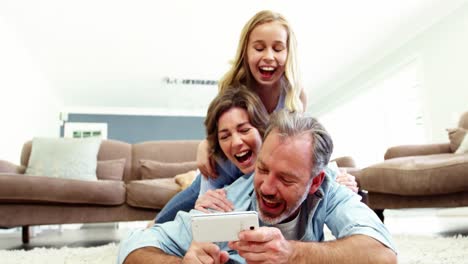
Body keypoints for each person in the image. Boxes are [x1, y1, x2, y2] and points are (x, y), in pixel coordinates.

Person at [154, 10, 358, 223]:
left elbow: (302, 148)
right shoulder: (232, 88)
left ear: (288, 53)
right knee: (166, 220)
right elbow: (221, 132)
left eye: (278, 48)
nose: (268, 56)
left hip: (262, 174)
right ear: (246, 51)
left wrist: (336, 178)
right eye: (259, 48)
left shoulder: (294, 96)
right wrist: (205, 144)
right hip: (226, 172)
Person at [118, 110, 397, 264]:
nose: (267, 187)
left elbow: (383, 255)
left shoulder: (330, 190)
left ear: (315, 182)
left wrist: (291, 253)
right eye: (262, 169)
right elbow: (133, 248)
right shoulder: (226, 201)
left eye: (286, 179)